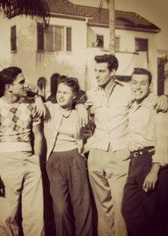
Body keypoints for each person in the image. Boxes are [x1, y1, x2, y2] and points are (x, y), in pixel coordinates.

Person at [78, 54, 168, 236]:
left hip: (120, 156)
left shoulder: (128, 91)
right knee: (102, 208)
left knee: (122, 208)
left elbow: (150, 98)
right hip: (96, 156)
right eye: (95, 71)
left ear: (113, 72)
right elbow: (75, 101)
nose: (97, 75)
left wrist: (164, 97)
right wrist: (80, 105)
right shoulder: (91, 94)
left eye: (101, 71)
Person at [0, 66, 44, 236]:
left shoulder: (31, 104)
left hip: (30, 159)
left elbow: (38, 135)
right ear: (8, 87)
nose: (26, 85)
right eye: (21, 82)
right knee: (7, 217)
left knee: (35, 216)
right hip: (6, 162)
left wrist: (37, 161)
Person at [122, 68, 168, 236]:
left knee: (154, 219)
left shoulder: (158, 105)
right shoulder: (132, 104)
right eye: (134, 82)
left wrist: (155, 169)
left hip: (152, 162)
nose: (138, 87)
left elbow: (164, 139)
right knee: (129, 210)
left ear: (150, 86)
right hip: (135, 163)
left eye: (143, 83)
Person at [44, 76, 93, 236]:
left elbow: (91, 131)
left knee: (82, 204)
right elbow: (32, 102)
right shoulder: (49, 107)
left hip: (75, 158)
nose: (60, 95)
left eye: (65, 93)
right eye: (59, 91)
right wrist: (37, 100)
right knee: (60, 208)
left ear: (74, 96)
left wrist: (81, 107)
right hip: (54, 160)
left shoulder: (80, 112)